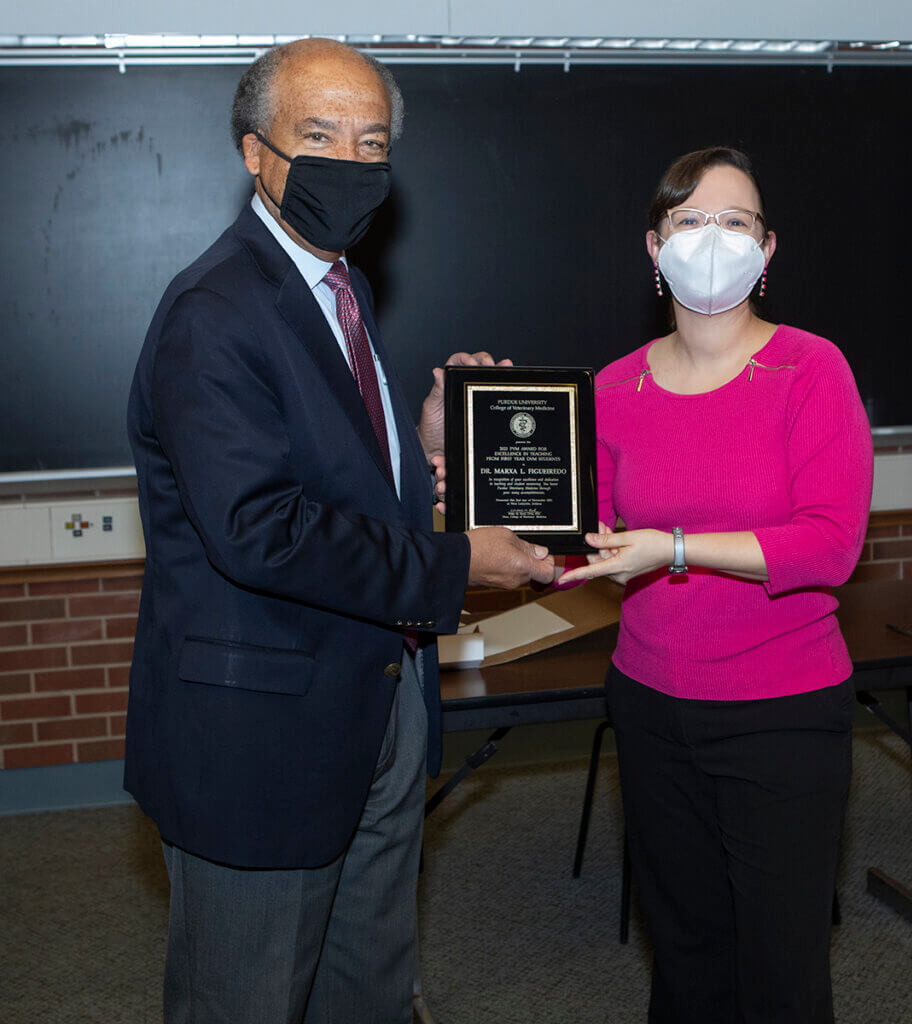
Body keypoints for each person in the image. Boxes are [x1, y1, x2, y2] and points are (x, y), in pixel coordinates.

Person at [125, 38, 554, 1024]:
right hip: (262, 740)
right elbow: (261, 530)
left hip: (376, 704)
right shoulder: (216, 311)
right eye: (318, 136)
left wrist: (423, 440)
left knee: (362, 990)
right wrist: (457, 562)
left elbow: (327, 472)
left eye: (370, 145)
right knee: (250, 998)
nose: (348, 165)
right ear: (254, 153)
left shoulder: (338, 285)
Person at [559, 147, 873, 1023]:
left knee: (782, 969)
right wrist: (472, 469)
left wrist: (678, 548)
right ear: (652, 247)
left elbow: (828, 546)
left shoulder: (812, 370)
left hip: (783, 711)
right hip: (652, 705)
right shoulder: (613, 387)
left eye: (734, 221)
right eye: (688, 220)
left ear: (767, 251)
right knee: (686, 955)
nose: (711, 238)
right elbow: (590, 541)